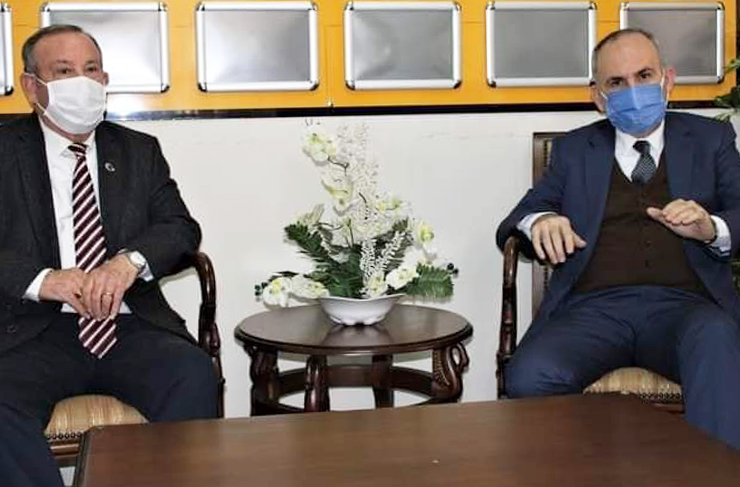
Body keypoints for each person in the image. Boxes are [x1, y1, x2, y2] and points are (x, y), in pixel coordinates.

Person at [496, 28, 740, 450]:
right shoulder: (574, 150)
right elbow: (516, 220)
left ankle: (716, 474)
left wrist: (711, 228)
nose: (633, 91)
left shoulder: (710, 139)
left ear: (667, 80)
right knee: (529, 376)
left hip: (687, 309)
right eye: (616, 82)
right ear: (598, 97)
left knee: (717, 343)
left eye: (644, 76)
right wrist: (541, 221)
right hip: (592, 312)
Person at [0, 25, 218, 486]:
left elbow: (180, 228)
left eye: (91, 69)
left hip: (128, 324)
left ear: (104, 80)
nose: (82, 81)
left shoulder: (138, 150)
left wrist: (128, 263)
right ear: (31, 87)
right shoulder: (4, 150)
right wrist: (42, 280)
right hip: (32, 330)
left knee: (194, 374)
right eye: (64, 71)